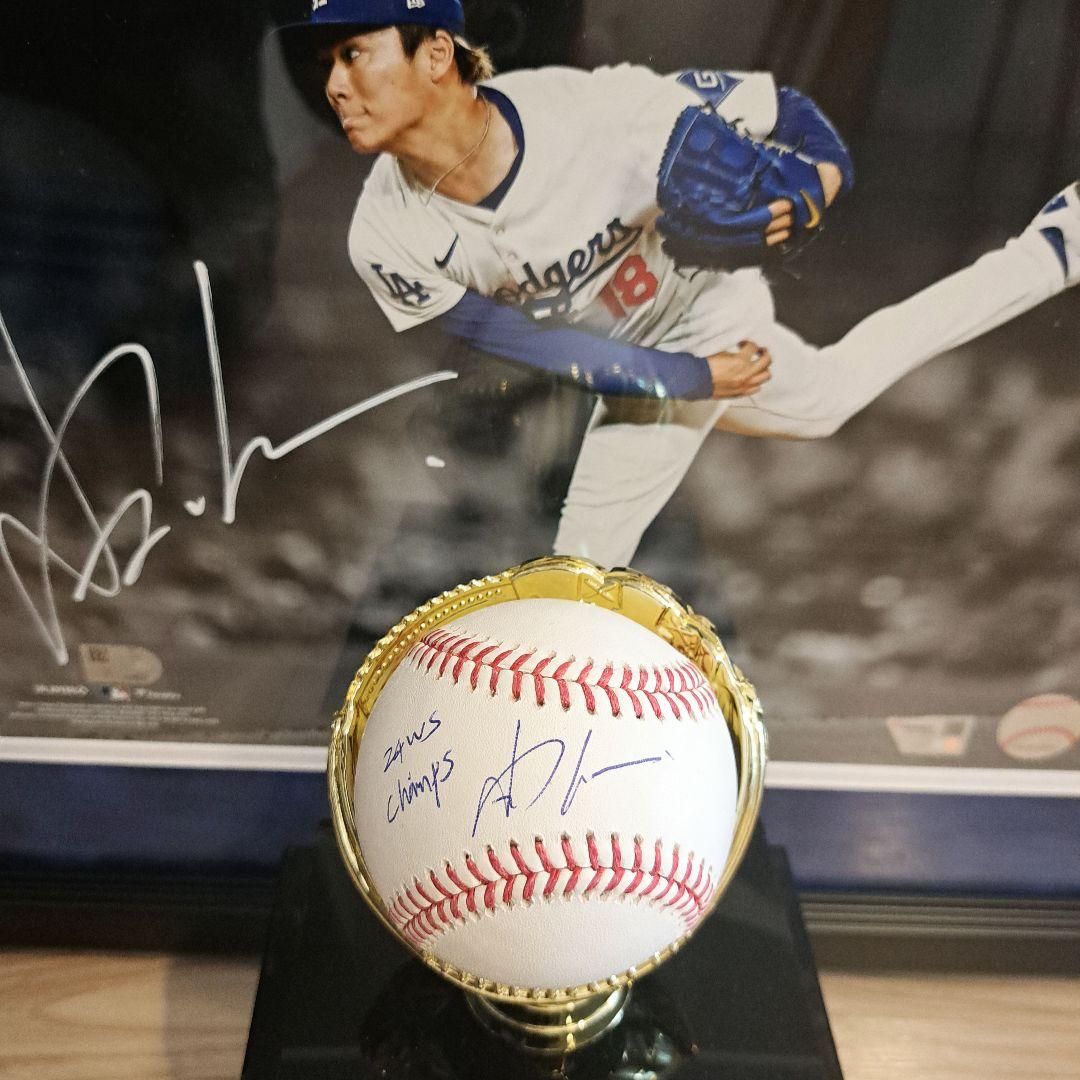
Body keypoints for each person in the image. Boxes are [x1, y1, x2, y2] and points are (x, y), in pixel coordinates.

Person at [282, 0, 1080, 568]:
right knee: (825, 399)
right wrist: (692, 378)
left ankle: (1047, 252)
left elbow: (784, 109)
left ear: (435, 54)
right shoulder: (384, 233)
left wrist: (818, 184)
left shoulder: (598, 110)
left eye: (354, 53)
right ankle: (1052, 251)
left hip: (701, 312)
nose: (335, 86)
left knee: (579, 577)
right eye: (327, 65)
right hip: (648, 365)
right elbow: (535, 347)